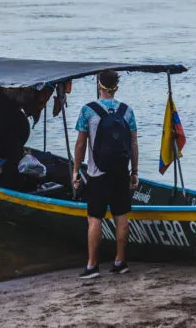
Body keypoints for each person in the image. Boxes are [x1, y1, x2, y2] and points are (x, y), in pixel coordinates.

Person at [72, 70, 139, 279]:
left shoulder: (87, 111)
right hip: (120, 172)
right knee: (121, 217)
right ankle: (120, 262)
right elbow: (134, 143)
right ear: (116, 88)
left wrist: (75, 170)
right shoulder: (127, 112)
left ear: (99, 86)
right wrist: (134, 171)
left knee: (94, 219)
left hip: (96, 173)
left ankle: (92, 266)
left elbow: (81, 144)